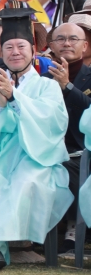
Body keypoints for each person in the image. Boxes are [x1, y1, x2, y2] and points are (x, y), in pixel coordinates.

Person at [0, 7, 73, 271]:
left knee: (23, 180)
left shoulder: (47, 86)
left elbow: (52, 124)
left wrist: (15, 98)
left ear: (33, 50)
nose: (14, 52)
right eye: (8, 47)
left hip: (35, 158)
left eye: (21, 46)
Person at [44, 22, 91, 253]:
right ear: (51, 46)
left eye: (73, 39)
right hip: (45, 148)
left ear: (85, 46)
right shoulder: (41, 78)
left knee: (71, 166)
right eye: (60, 39)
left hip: (82, 149)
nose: (66, 43)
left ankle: (74, 229)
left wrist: (67, 87)